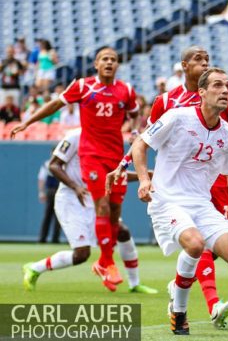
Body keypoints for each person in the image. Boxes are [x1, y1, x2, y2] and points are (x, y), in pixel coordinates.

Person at [131, 67, 228, 336]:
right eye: (217, 85)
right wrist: (144, 179)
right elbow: (139, 144)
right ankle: (179, 311)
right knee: (194, 245)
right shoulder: (177, 117)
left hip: (201, 204)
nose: (225, 90)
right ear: (202, 92)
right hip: (167, 200)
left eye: (227, 85)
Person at [107, 46, 228, 330]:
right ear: (184, 65)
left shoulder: (225, 93)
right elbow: (144, 139)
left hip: (212, 177)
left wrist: (214, 152)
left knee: (217, 240)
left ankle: (189, 294)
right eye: (198, 59)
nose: (205, 62)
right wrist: (123, 166)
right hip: (177, 184)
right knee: (195, 241)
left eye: (207, 58)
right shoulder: (166, 100)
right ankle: (213, 304)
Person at [11, 47, 141, 292]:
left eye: (114, 59)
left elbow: (135, 114)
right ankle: (109, 264)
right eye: (105, 59)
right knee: (101, 211)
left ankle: (105, 264)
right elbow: (54, 105)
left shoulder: (126, 91)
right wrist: (28, 121)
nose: (110, 62)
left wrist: (134, 131)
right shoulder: (83, 88)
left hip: (115, 157)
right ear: (96, 64)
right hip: (90, 161)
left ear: (118, 65)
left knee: (114, 214)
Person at [23, 128, 158, 294]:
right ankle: (35, 268)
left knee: (122, 232)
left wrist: (146, 174)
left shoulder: (108, 138)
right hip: (72, 199)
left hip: (96, 198)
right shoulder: (74, 137)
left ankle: (134, 283)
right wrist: (76, 187)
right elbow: (53, 165)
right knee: (81, 254)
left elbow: (115, 174)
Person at [37, 153, 61, 244]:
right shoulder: (47, 164)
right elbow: (41, 179)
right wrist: (41, 192)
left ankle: (55, 238)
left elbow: (41, 179)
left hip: (60, 190)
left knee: (58, 216)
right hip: (51, 191)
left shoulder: (50, 163)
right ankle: (43, 238)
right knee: (48, 215)